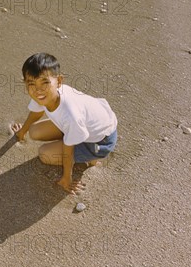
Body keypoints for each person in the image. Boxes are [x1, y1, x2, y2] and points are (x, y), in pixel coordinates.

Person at [11, 53, 118, 195]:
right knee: (34, 131)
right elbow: (36, 113)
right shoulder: (44, 95)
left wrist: (66, 178)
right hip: (85, 123)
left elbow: (68, 151)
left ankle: (93, 158)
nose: (38, 89)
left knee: (44, 154)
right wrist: (22, 132)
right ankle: (72, 136)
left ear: (59, 81)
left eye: (45, 82)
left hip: (101, 140)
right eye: (31, 83)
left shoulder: (71, 114)